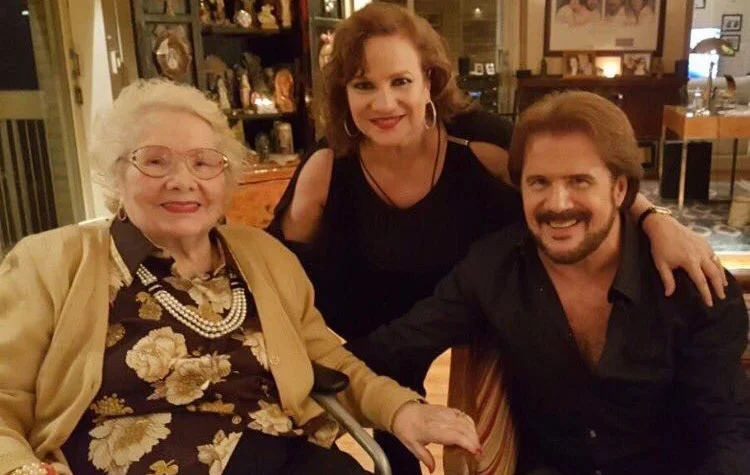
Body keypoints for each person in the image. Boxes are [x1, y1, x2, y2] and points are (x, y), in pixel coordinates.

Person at [269, 3, 727, 474]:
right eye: (364, 85)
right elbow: (273, 270)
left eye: (400, 81)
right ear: (342, 93)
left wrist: (653, 218)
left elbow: (573, 173)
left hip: (474, 296)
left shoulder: (477, 139)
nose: (384, 104)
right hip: (372, 322)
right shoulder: (328, 164)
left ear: (430, 80)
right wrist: (292, 374)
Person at [0, 79, 482, 475]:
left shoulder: (264, 257)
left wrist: (400, 409)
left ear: (224, 179)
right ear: (116, 175)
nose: (183, 181)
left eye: (203, 162)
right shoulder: (51, 264)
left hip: (278, 457)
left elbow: (327, 358)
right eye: (156, 160)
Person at [349, 91, 750, 475]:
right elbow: (393, 348)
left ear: (619, 189)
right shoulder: (493, 271)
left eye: (579, 181)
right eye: (539, 182)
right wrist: (380, 403)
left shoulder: (691, 283)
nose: (558, 204)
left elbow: (729, 432)